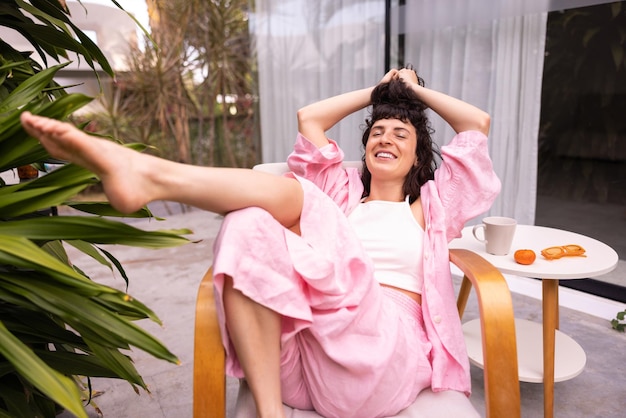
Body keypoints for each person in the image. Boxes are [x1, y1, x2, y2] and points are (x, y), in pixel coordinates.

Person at [20, 67, 500, 418]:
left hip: (384, 357)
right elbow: (310, 118)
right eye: (377, 131)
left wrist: (408, 91)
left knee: (303, 198)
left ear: (419, 156)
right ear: (365, 149)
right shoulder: (341, 194)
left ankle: (154, 176)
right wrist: (378, 91)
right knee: (249, 222)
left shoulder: (431, 208)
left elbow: (475, 124)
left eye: (400, 133)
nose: (385, 138)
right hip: (307, 360)